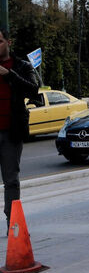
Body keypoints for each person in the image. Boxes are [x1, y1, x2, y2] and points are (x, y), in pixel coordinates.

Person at [0, 28, 39, 231]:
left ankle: (12, 223)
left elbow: (33, 89)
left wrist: (10, 75)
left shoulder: (21, 66)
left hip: (10, 131)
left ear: (8, 42)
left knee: (11, 180)